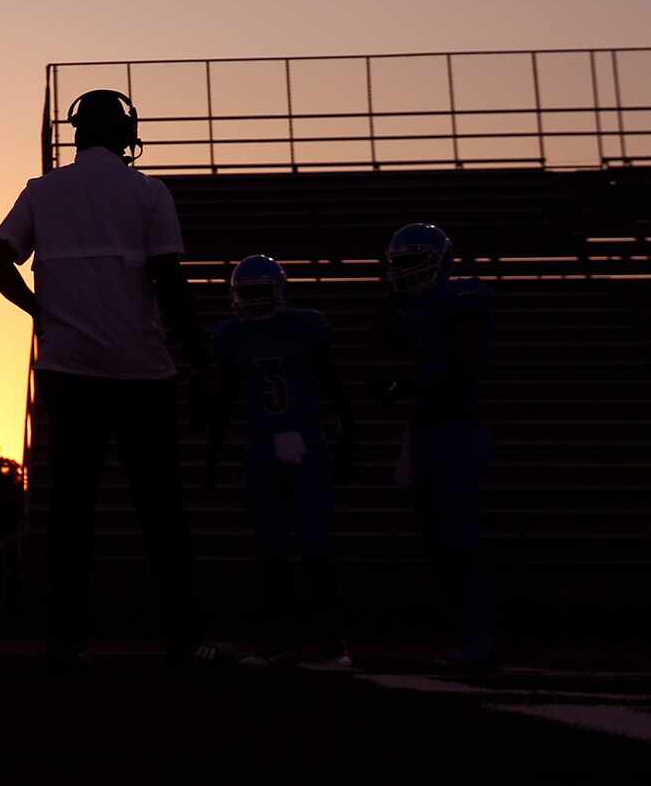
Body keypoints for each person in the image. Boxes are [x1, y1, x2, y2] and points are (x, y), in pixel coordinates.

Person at [0, 87, 208, 669]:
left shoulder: (43, 192)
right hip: (142, 370)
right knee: (161, 506)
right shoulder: (149, 193)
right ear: (126, 133)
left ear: (78, 132)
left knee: (71, 507)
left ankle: (65, 635)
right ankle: (183, 636)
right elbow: (168, 279)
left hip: (69, 368)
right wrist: (200, 355)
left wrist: (40, 311)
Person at [204, 254, 354, 668]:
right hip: (261, 445)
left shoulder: (303, 329)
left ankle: (330, 640)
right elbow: (226, 400)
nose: (253, 302)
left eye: (259, 293)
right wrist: (213, 455)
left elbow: (332, 384)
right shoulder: (235, 337)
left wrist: (347, 434)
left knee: (314, 546)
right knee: (272, 549)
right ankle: (280, 640)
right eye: (247, 294)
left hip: (304, 440)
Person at [381, 222, 493, 670]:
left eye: (412, 262)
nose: (404, 272)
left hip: (457, 429)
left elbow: (458, 366)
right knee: (436, 538)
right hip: (426, 427)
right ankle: (462, 633)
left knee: (460, 537)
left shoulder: (460, 300)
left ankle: (477, 637)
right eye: (400, 263)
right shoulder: (410, 309)